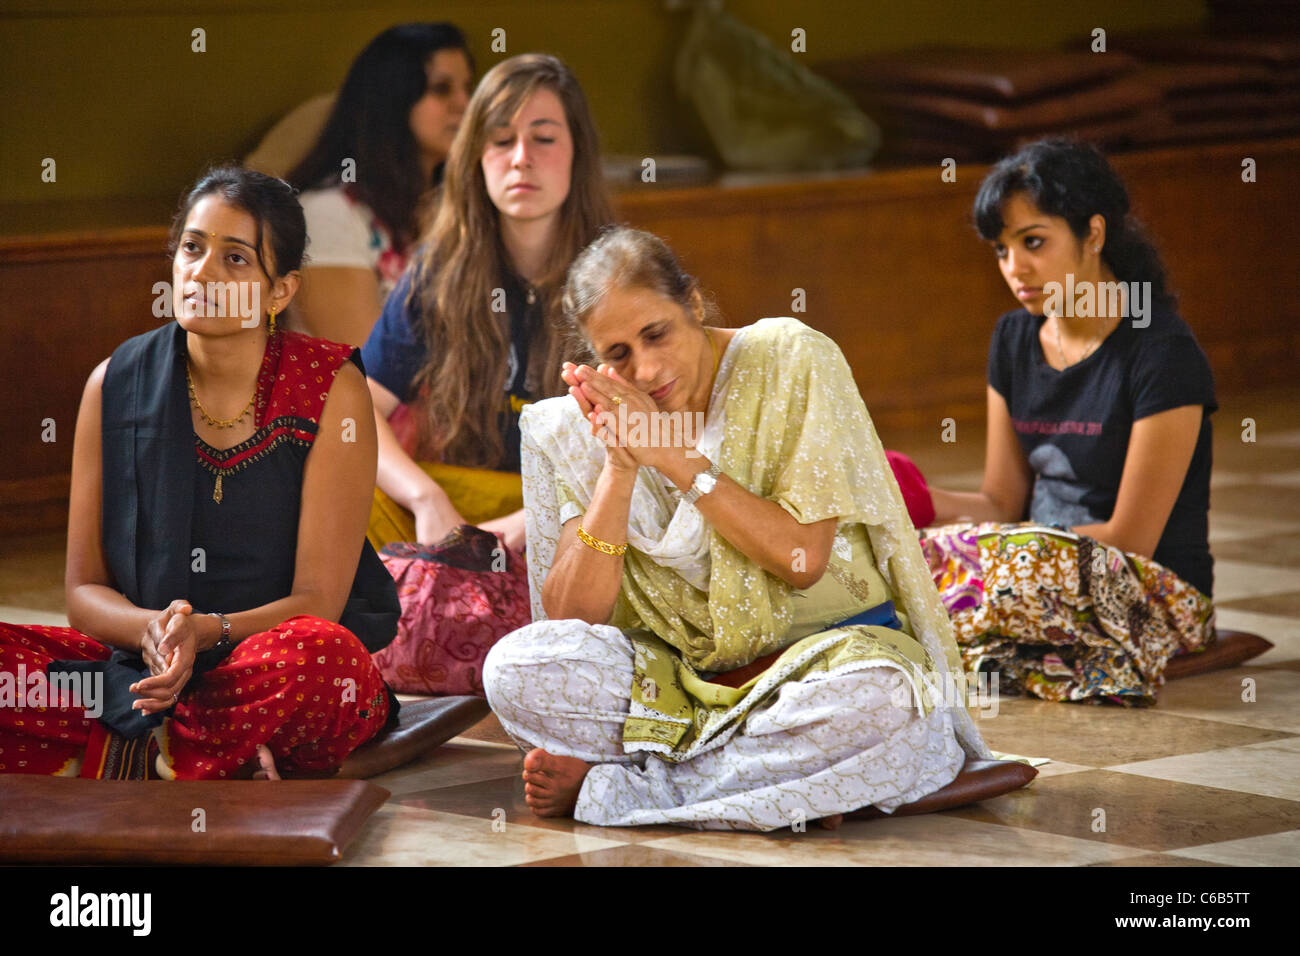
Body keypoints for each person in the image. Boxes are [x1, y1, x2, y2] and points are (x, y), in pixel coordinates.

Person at [482, 227, 991, 831]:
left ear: (693, 305)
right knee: (514, 670)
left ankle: (628, 785)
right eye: (617, 354)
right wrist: (620, 468)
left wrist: (673, 459)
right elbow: (573, 616)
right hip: (675, 684)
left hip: (824, 662)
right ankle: (794, 783)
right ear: (595, 360)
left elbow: (802, 560)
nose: (644, 369)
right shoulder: (580, 429)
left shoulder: (789, 357)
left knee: (889, 702)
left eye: (656, 333)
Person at [0, 167, 399, 779]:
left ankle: (131, 751)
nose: (202, 272)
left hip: (266, 663)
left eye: (235, 258)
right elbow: (83, 595)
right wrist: (158, 632)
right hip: (139, 672)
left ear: (280, 292)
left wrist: (206, 633)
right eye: (192, 247)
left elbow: (319, 601)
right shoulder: (113, 385)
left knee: (325, 660)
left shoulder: (329, 388)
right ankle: (199, 752)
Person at [922, 138, 1217, 704]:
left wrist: (992, 553)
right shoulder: (1012, 338)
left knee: (977, 568)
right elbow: (1003, 502)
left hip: (1152, 590)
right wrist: (910, 498)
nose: (1016, 268)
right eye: (1001, 250)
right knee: (906, 553)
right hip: (1030, 571)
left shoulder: (1162, 352)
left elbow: (1132, 539)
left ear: (1094, 234)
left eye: (1033, 242)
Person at [361, 54, 614, 695]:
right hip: (459, 512)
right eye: (500, 140)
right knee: (337, 483)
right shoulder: (437, 272)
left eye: (544, 137)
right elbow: (355, 408)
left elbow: (650, 427)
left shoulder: (620, 274)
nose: (521, 157)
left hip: (577, 515)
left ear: (577, 153)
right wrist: (426, 501)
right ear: (474, 158)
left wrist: (539, 518)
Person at [286, 23, 474, 346]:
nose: (464, 103)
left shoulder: (453, 206)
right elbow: (365, 366)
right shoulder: (330, 213)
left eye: (467, 88)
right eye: (442, 89)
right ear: (393, 99)